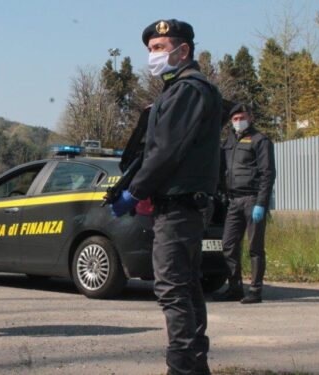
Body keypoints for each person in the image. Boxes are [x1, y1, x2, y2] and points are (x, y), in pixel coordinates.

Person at [110, 19, 222, 374]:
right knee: (186, 288)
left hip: (178, 206)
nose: (153, 56)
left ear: (183, 50)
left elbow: (166, 152)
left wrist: (134, 191)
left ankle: (182, 368)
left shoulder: (188, 90)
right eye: (150, 50)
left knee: (173, 290)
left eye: (159, 48)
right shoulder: (179, 90)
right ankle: (194, 365)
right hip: (181, 205)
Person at [214, 103, 276, 304]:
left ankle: (255, 290)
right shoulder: (228, 142)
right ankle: (234, 287)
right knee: (229, 244)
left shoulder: (260, 140)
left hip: (252, 200)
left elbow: (268, 174)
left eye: (242, 117)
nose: (238, 122)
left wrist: (262, 203)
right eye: (235, 119)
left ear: (250, 118)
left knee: (255, 247)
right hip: (233, 201)